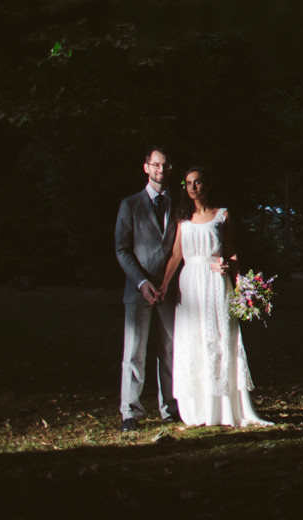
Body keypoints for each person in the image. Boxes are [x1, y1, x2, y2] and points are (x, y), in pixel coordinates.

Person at [158, 166, 270, 426]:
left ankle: (224, 407)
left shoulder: (223, 215)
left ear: (207, 185)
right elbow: (176, 254)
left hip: (217, 282)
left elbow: (231, 252)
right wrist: (164, 284)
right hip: (190, 283)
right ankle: (196, 409)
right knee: (192, 340)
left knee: (218, 337)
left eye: (197, 182)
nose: (193, 187)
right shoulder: (182, 217)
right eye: (188, 183)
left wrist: (238, 282)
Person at [114, 147, 181, 432]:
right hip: (138, 289)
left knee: (169, 351)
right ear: (146, 167)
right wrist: (142, 282)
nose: (160, 170)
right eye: (155, 165)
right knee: (134, 352)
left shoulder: (179, 205)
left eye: (165, 166)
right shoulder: (130, 205)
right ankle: (130, 412)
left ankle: (170, 408)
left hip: (171, 290)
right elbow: (122, 249)